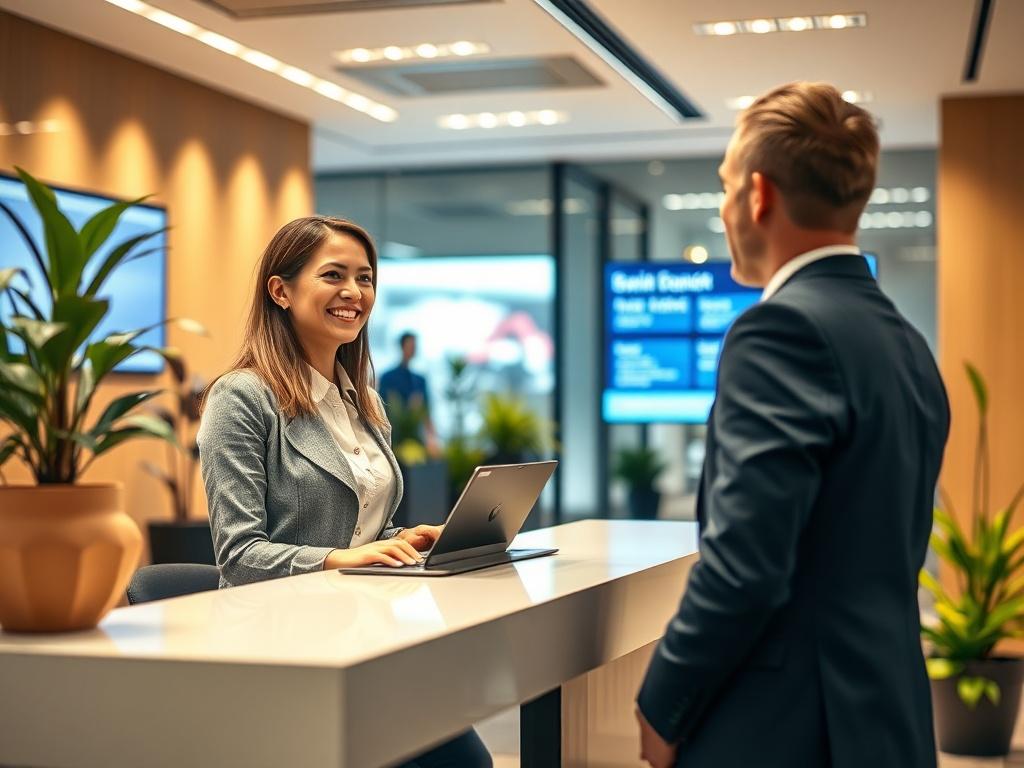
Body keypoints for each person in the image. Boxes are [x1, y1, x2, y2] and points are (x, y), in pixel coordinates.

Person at [635, 82, 950, 768]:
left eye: (724, 188)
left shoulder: (780, 329)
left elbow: (748, 563)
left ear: (757, 195)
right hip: (885, 713)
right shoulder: (904, 340)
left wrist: (663, 702)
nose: (724, 212)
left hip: (789, 727)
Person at [198, 215, 492, 768]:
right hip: (282, 647)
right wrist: (341, 557)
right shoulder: (240, 398)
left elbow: (356, 527)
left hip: (364, 636)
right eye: (334, 275)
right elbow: (239, 554)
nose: (354, 293)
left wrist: (406, 538)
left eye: (365, 277)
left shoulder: (364, 402)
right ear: (280, 291)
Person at [379, 332, 441, 457]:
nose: (414, 349)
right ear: (402, 346)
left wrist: (433, 439)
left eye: (415, 346)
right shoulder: (388, 377)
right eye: (411, 345)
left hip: (416, 438)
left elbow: (426, 413)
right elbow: (381, 410)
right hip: (393, 439)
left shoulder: (420, 380)